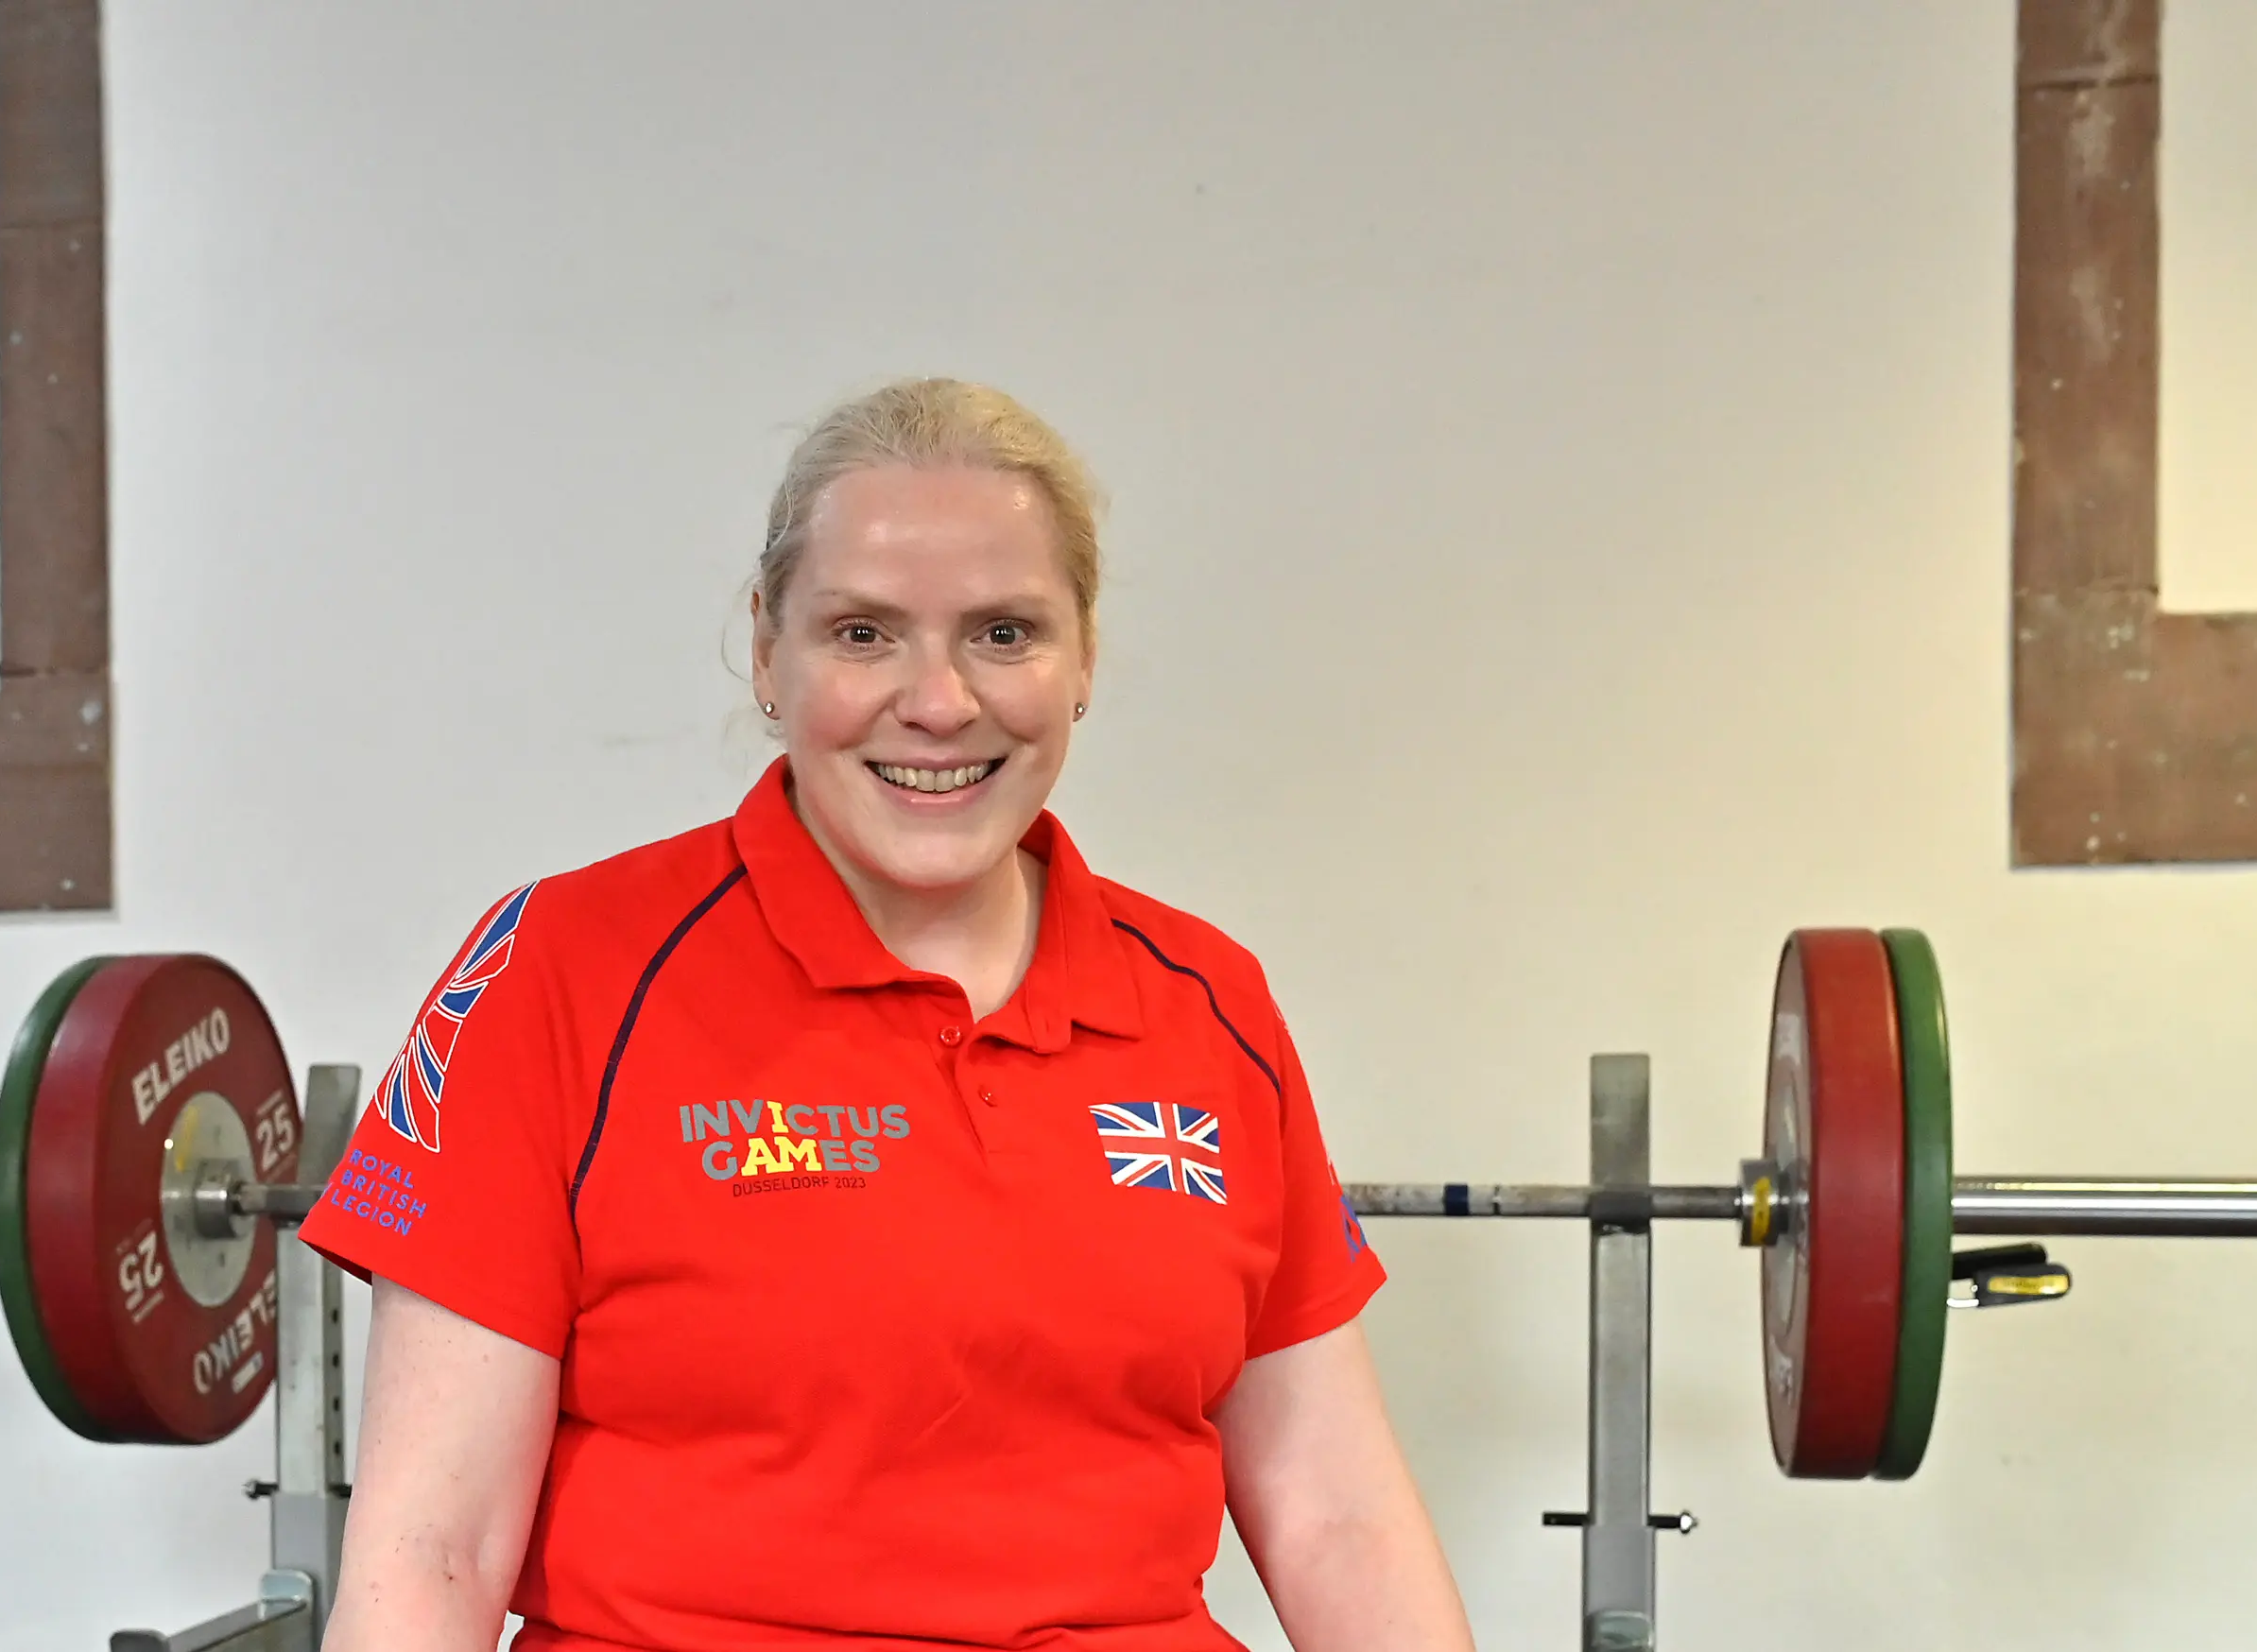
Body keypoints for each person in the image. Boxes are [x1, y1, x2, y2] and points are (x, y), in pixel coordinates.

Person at [296, 379, 1472, 1651]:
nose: (940, 702)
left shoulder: (1206, 998)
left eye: (1004, 633)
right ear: (766, 650)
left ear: (1084, 658)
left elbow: (1334, 1517)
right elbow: (433, 1554)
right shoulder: (561, 971)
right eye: (864, 635)